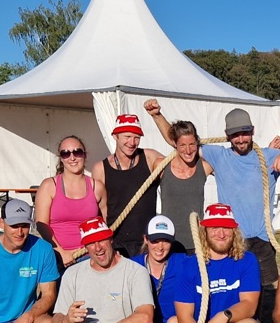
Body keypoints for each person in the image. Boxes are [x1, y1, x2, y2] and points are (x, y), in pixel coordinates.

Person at [148, 103, 280, 290]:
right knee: (233, 288)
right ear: (227, 135)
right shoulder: (219, 156)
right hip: (232, 237)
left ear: (253, 131)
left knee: (265, 289)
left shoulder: (269, 157)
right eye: (235, 134)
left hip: (262, 239)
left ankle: (261, 320)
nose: (241, 139)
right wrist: (157, 116)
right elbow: (178, 141)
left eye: (245, 133)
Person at [91, 114, 164, 258]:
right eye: (127, 136)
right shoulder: (101, 168)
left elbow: (178, 161)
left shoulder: (149, 157)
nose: (132, 142)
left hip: (146, 241)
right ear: (115, 136)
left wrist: (157, 116)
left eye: (137, 137)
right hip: (117, 241)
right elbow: (98, 208)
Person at [143, 99, 211, 254]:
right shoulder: (162, 166)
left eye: (192, 144)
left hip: (198, 242)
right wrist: (157, 115)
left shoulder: (205, 167)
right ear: (174, 144)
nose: (188, 150)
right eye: (182, 145)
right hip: (168, 241)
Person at [35, 135, 108, 268]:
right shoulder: (49, 186)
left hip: (90, 256)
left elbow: (106, 224)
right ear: (61, 158)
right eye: (65, 153)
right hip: (57, 257)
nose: (72, 157)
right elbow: (41, 225)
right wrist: (61, 252)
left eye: (77, 152)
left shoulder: (97, 187)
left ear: (84, 155)